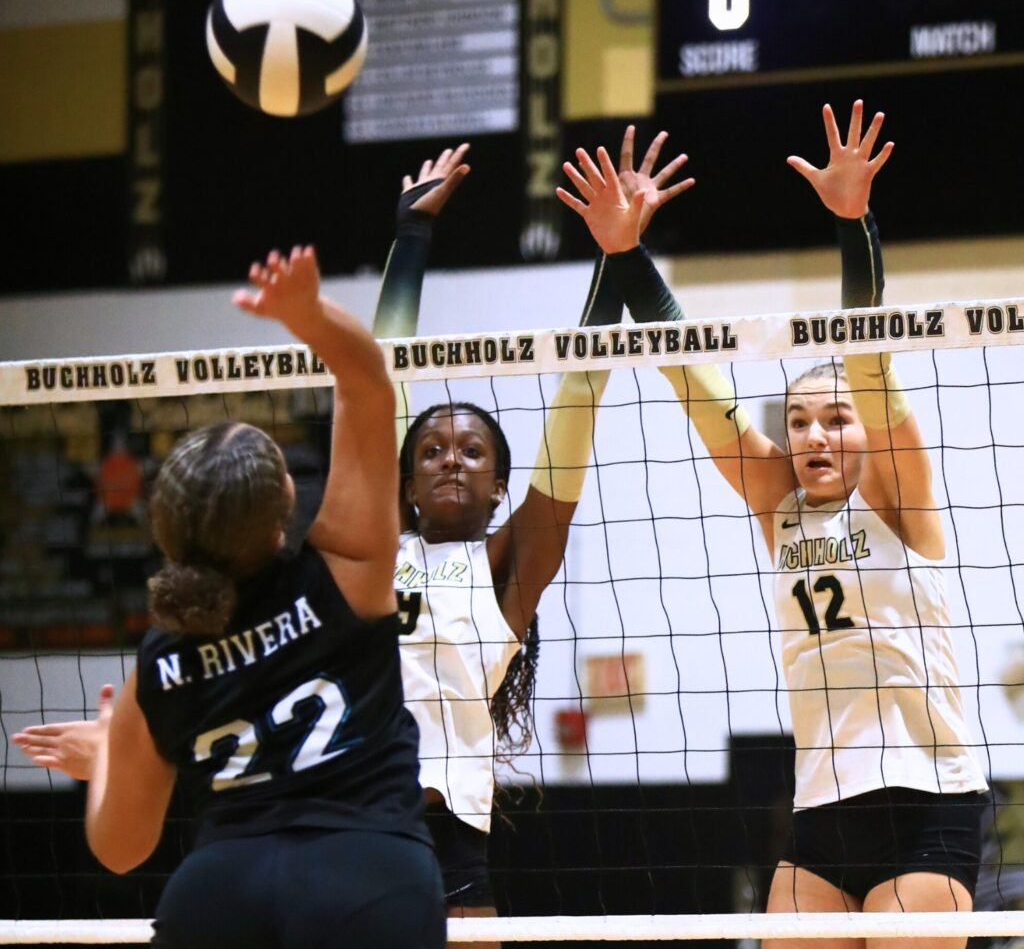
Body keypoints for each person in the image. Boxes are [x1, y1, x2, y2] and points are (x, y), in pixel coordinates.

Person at [557, 102, 989, 947]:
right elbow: (694, 381)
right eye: (798, 421)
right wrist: (627, 255)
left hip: (926, 799)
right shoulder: (778, 506)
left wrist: (853, 222)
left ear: (867, 427)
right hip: (821, 809)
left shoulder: (902, 499)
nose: (816, 435)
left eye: (835, 419)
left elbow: (869, 355)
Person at [13, 246, 445, 949]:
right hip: (368, 875)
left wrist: (112, 762)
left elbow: (120, 850)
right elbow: (367, 383)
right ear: (284, 503)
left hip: (221, 891)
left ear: (168, 532)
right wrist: (308, 317)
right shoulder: (344, 571)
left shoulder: (158, 664)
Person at [371, 136, 693, 938]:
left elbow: (580, 391)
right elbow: (379, 383)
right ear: (405, 482)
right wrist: (410, 236)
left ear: (500, 486)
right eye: (433, 450)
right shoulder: (375, 545)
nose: (450, 459)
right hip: (357, 810)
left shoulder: (510, 566)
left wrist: (617, 254)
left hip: (455, 830)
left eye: (472, 451)